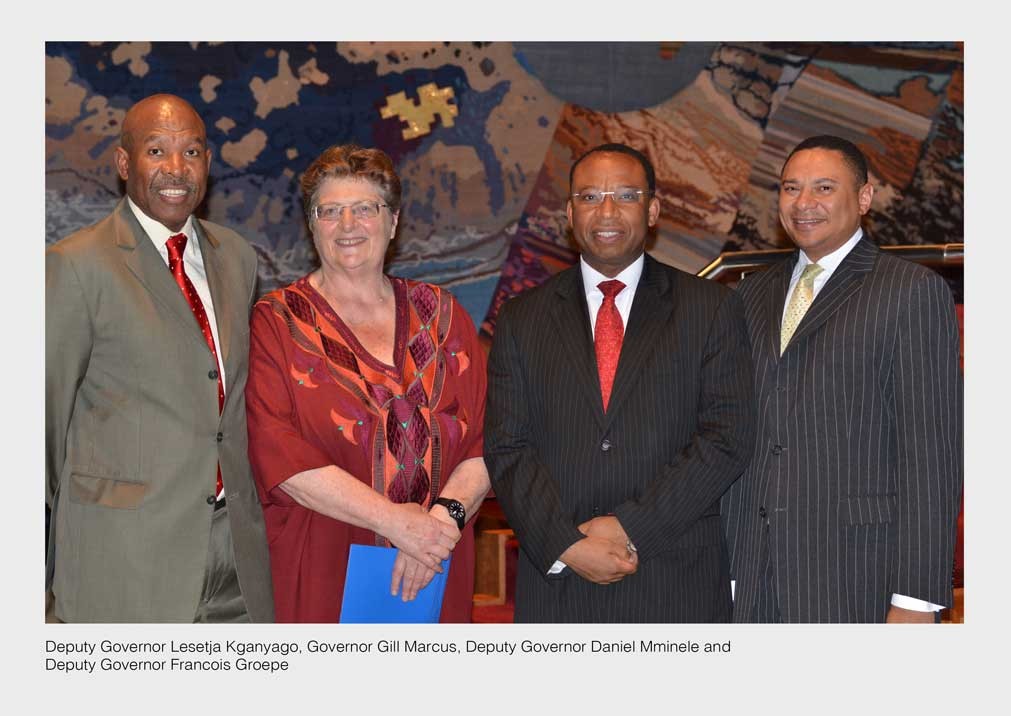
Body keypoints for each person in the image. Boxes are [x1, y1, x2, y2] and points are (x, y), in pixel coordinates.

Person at [484, 143, 755, 622]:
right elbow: (508, 448)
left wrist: (630, 527)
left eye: (625, 196)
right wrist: (565, 543)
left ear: (652, 210)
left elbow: (726, 438)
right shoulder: (522, 318)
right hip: (559, 584)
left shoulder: (709, 308)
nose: (606, 211)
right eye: (589, 197)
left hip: (674, 577)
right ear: (570, 213)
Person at [45, 93, 274, 622]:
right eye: (156, 151)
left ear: (208, 165)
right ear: (125, 164)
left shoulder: (236, 256)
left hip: (237, 556)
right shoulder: (75, 267)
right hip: (125, 561)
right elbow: (39, 432)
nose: (176, 169)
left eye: (191, 152)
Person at [721, 135, 963, 623]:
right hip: (747, 574)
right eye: (791, 188)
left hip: (856, 575)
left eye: (824, 188)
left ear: (865, 198)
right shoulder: (747, 296)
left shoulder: (911, 291)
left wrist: (915, 599)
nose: (804, 203)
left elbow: (931, 454)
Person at [246, 144, 490, 622]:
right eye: (330, 211)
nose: (348, 225)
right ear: (312, 226)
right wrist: (398, 525)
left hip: (437, 565)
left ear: (393, 222)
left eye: (365, 209)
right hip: (322, 572)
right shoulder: (275, 323)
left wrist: (439, 527)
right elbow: (277, 454)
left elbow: (485, 442)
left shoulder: (443, 315)